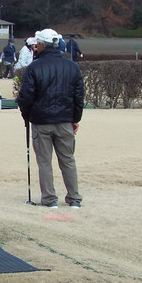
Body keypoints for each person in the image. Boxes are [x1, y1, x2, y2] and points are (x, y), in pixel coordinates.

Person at [17, 28, 84, 210]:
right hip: (64, 120)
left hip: (41, 121)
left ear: (40, 45)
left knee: (44, 162)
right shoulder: (72, 66)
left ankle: (49, 199)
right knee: (68, 160)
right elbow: (78, 97)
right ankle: (74, 198)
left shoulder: (34, 67)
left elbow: (25, 97)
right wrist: (75, 118)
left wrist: (26, 115)